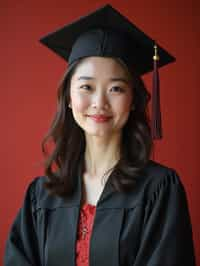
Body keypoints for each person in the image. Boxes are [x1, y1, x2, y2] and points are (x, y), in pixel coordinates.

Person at [4, 4, 196, 266]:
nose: (99, 102)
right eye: (86, 86)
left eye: (116, 88)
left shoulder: (159, 189)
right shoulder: (42, 194)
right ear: (69, 98)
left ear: (133, 100)